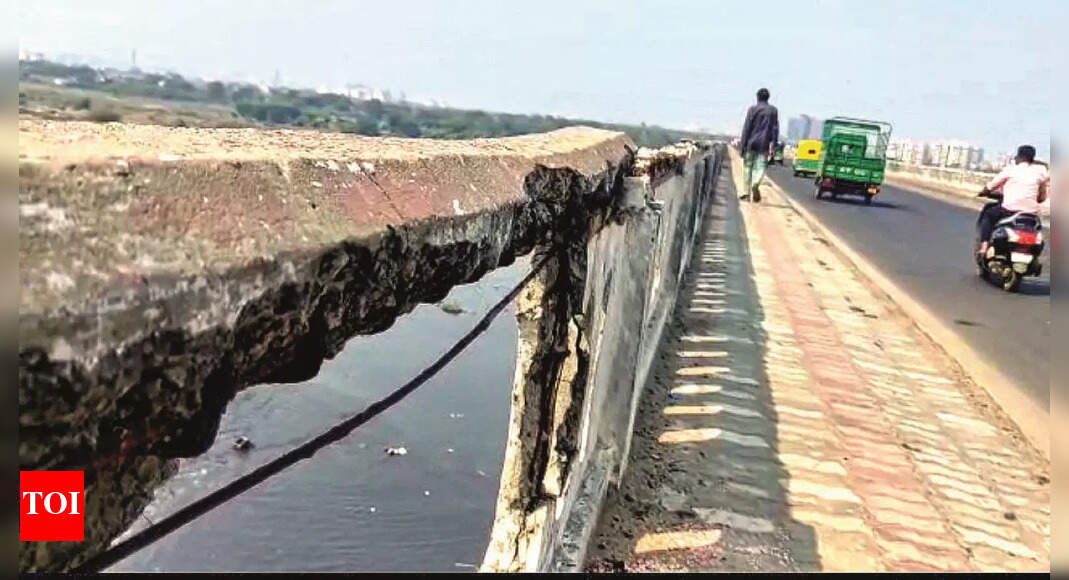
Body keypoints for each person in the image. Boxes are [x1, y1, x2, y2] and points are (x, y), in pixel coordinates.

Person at [976, 144, 1050, 256]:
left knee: (988, 215)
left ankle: (984, 246)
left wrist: (983, 192)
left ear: (1019, 157)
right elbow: (1042, 196)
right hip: (1030, 214)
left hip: (1009, 210)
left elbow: (991, 186)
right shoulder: (1040, 173)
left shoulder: (1010, 170)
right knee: (1037, 229)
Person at [738, 88, 780, 202]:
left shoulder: (752, 109)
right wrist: (774, 146)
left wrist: (742, 146)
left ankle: (746, 193)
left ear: (757, 97)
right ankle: (755, 184)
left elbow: (746, 128)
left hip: (751, 144)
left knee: (747, 168)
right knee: (760, 167)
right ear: (768, 98)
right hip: (764, 145)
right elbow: (775, 129)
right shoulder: (773, 111)